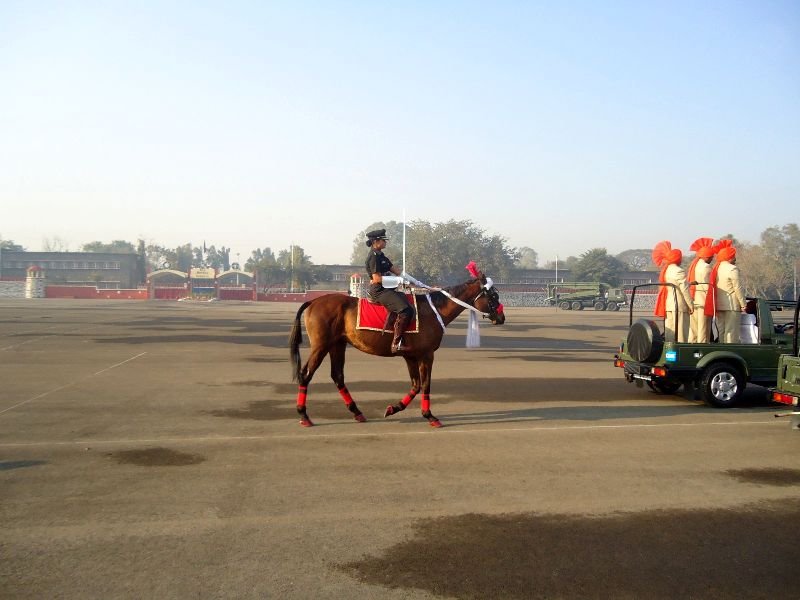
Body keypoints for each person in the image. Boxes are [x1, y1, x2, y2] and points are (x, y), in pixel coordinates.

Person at [364, 228, 415, 353]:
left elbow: (396, 270)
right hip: (379, 291)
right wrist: (400, 281)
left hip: (387, 288)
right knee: (405, 310)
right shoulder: (373, 257)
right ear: (376, 241)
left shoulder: (381, 255)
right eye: (383, 240)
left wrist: (414, 281)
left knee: (407, 302)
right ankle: (396, 343)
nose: (386, 242)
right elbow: (376, 279)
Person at [705, 240, 746, 343]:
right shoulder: (732, 269)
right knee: (731, 331)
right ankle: (730, 351)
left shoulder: (716, 268)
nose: (735, 259)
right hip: (731, 305)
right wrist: (743, 304)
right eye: (734, 256)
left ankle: (721, 348)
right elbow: (737, 287)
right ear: (730, 257)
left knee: (721, 331)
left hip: (718, 304)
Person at [652, 241, 693, 342]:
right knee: (681, 333)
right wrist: (691, 305)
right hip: (679, 306)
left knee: (670, 332)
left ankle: (669, 351)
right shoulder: (679, 271)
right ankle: (680, 352)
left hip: (669, 305)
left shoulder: (666, 270)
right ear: (678, 258)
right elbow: (684, 290)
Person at [687, 237, 716, 343]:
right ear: (707, 257)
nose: (712, 259)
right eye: (711, 257)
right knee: (703, 329)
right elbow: (709, 286)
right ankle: (702, 348)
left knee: (694, 329)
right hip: (704, 302)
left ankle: (691, 346)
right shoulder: (707, 267)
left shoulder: (694, 265)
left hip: (694, 300)